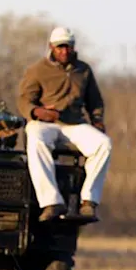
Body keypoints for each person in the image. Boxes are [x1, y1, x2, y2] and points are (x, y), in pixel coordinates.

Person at [18, 27, 112, 221]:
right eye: (60, 47)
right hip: (47, 124)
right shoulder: (37, 70)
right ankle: (51, 202)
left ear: (73, 47)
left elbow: (95, 100)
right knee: (34, 135)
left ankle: (89, 201)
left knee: (104, 143)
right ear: (51, 47)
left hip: (75, 124)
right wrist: (37, 112)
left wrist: (97, 120)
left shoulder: (83, 70)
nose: (64, 51)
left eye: (68, 47)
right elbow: (24, 100)